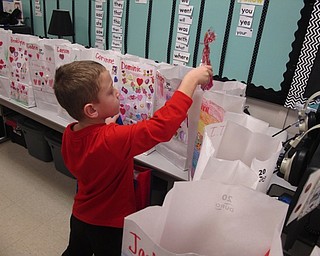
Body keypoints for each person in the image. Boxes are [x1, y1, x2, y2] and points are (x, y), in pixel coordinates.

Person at [54, 60, 213, 256]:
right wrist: (191, 79)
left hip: (80, 215)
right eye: (110, 92)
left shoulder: (71, 132)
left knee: (75, 252)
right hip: (109, 225)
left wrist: (106, 126)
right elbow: (161, 127)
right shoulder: (112, 139)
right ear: (92, 110)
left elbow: (92, 150)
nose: (118, 93)